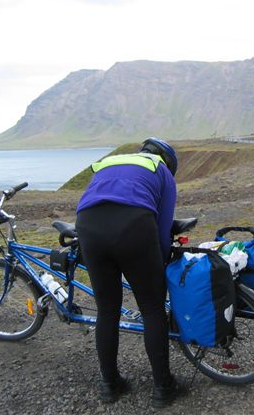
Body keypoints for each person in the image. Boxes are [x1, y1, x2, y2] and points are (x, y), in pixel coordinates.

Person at [75, 137, 182, 407]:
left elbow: (93, 200)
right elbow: (162, 227)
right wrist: (161, 260)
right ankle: (162, 388)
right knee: (151, 308)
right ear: (168, 161)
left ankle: (110, 385)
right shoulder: (161, 171)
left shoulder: (108, 163)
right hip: (134, 226)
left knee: (107, 309)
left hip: (87, 227)